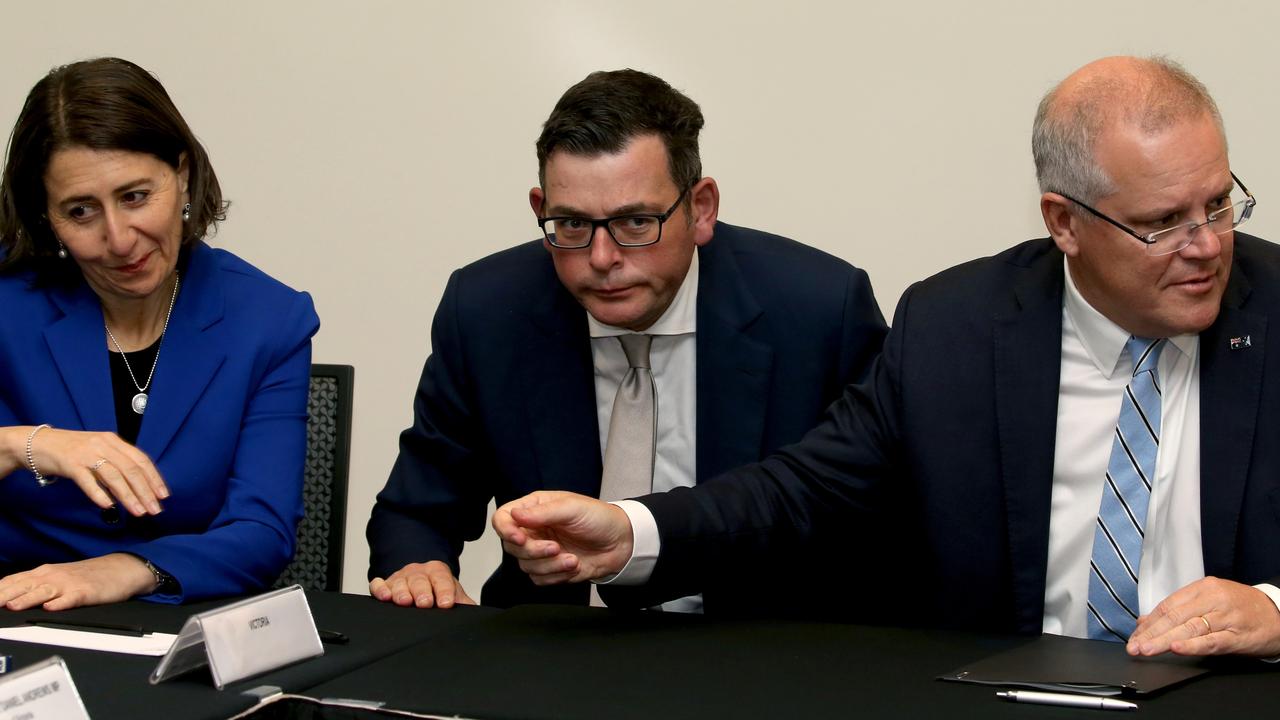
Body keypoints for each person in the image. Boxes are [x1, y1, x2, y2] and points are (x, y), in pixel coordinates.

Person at [496, 56, 1280, 658]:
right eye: (1163, 222)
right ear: (1063, 223)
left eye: (1218, 204)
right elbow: (802, 493)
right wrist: (630, 533)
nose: (1207, 245)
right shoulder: (955, 330)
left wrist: (1275, 609)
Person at [367, 69, 887, 612]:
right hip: (551, 655)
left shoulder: (819, 308)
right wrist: (418, 567)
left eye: (636, 222)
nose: (602, 258)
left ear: (701, 208)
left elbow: (872, 509)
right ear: (539, 210)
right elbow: (417, 508)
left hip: (760, 654)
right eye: (570, 225)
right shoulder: (487, 309)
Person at [0, 57, 320, 610]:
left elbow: (262, 530)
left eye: (135, 197)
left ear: (183, 174)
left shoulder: (269, 319)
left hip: (176, 616)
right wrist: (25, 444)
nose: (119, 239)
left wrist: (130, 570)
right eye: (81, 211)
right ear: (46, 217)